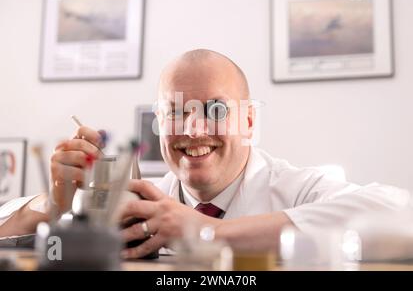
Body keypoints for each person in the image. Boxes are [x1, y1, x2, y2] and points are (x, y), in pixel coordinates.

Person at [0, 49, 409, 259]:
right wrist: (55, 202)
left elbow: (400, 212)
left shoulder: (296, 189)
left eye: (215, 111)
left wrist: (203, 231)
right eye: (175, 112)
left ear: (249, 122)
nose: (192, 129)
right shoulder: (143, 203)